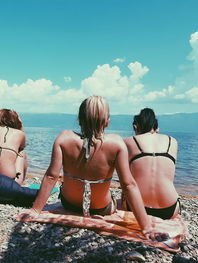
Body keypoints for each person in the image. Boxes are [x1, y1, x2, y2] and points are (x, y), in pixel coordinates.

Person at [19, 96, 168, 240]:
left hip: (69, 204)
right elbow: (128, 185)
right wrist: (146, 226)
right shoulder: (117, 143)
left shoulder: (64, 138)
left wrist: (35, 210)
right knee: (116, 199)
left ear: (79, 119)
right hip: (102, 208)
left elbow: (52, 176)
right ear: (107, 121)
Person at [123, 108, 179, 220]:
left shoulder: (129, 141)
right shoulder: (172, 141)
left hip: (135, 208)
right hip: (169, 209)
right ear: (156, 127)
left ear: (136, 126)